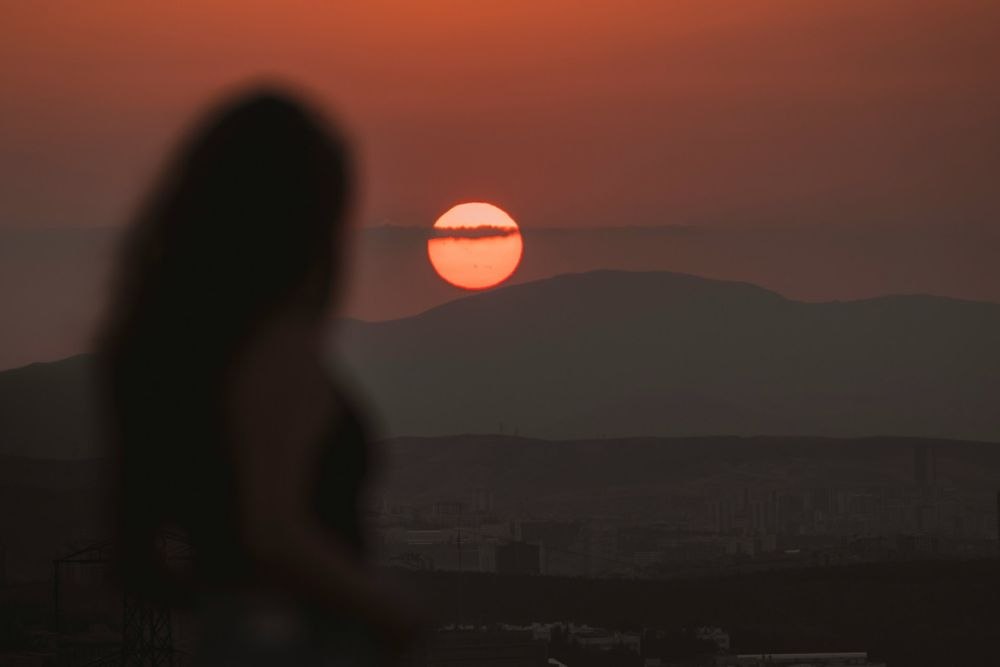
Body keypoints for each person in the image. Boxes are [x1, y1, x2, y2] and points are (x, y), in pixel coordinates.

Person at [97, 86, 416, 665]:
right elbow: (270, 531)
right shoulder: (275, 347)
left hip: (230, 636)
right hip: (304, 639)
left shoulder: (178, 356)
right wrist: (394, 614)